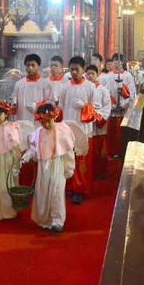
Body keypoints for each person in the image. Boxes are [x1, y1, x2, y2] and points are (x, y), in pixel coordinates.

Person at [21, 104, 88, 232]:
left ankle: (57, 221)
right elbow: (34, 149)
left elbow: (68, 151)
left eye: (48, 121)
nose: (46, 125)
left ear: (55, 117)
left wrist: (69, 168)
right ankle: (45, 219)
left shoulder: (62, 131)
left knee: (56, 192)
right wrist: (27, 155)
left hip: (57, 165)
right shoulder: (38, 133)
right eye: (43, 122)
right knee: (43, 192)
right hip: (43, 167)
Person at [60, 56, 99, 204]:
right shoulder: (65, 87)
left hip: (84, 129)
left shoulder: (90, 86)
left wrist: (85, 106)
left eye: (77, 69)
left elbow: (95, 108)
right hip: (68, 128)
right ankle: (70, 186)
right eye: (72, 69)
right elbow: (62, 108)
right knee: (68, 158)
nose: (74, 72)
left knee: (82, 160)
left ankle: (80, 189)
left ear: (83, 69)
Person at [100, 53, 136, 158]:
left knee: (121, 131)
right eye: (115, 61)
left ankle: (121, 150)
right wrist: (110, 100)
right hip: (112, 107)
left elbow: (132, 91)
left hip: (123, 107)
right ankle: (112, 150)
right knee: (112, 131)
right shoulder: (108, 76)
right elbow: (104, 90)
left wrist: (124, 92)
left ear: (123, 62)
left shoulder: (128, 75)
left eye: (119, 61)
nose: (116, 63)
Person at [85, 65, 112, 178]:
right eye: (88, 74)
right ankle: (88, 171)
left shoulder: (102, 89)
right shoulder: (83, 88)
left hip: (98, 122)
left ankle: (100, 171)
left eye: (93, 74)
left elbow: (107, 106)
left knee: (99, 148)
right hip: (86, 122)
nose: (90, 76)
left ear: (97, 75)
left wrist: (98, 116)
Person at [11, 54, 46, 122]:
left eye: (33, 65)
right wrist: (13, 104)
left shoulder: (45, 84)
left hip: (39, 121)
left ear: (39, 66)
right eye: (28, 65)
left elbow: (50, 102)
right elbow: (13, 102)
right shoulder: (19, 84)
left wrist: (37, 105)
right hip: (22, 120)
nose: (30, 68)